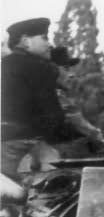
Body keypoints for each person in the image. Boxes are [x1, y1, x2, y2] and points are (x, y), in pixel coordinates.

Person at [1, 17, 82, 179]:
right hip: (30, 141)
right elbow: (53, 114)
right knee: (60, 181)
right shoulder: (40, 67)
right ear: (26, 41)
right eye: (44, 38)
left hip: (4, 142)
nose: (49, 44)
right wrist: (74, 137)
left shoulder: (4, 64)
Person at [50, 46, 104, 152]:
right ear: (52, 69)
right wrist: (100, 137)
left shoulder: (56, 93)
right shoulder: (54, 95)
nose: (71, 75)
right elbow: (79, 123)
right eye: (66, 68)